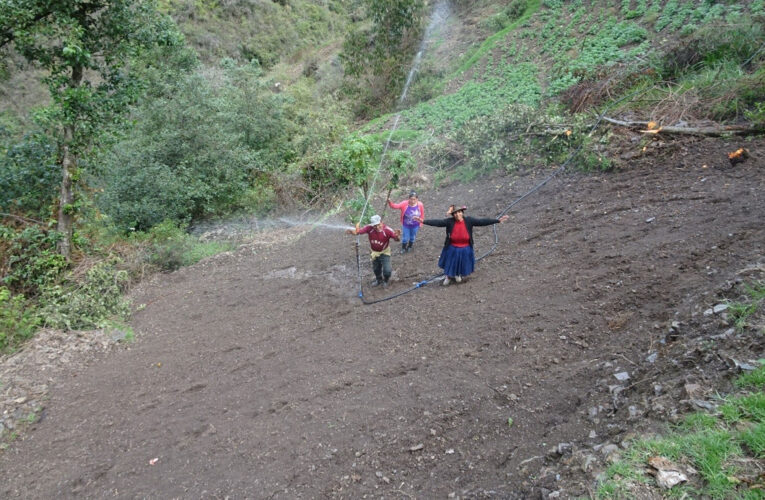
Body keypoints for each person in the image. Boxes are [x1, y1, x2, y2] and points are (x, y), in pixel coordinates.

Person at [414, 205, 509, 286]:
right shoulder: (449, 222)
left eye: (459, 212)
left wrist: (497, 221)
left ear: (462, 212)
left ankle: (457, 274)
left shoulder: (469, 220)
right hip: (453, 247)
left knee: (461, 263)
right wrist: (423, 221)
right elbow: (438, 222)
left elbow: (482, 221)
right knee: (450, 262)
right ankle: (448, 276)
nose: (457, 214)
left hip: (465, 247)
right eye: (455, 213)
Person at [347, 214, 401, 287]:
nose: (376, 227)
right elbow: (359, 232)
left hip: (384, 252)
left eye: (378, 225)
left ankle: (386, 280)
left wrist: (397, 237)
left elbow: (396, 239)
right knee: (376, 269)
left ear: (381, 222)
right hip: (374, 252)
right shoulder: (369, 228)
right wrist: (352, 232)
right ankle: (378, 280)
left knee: (387, 270)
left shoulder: (388, 230)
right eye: (374, 225)